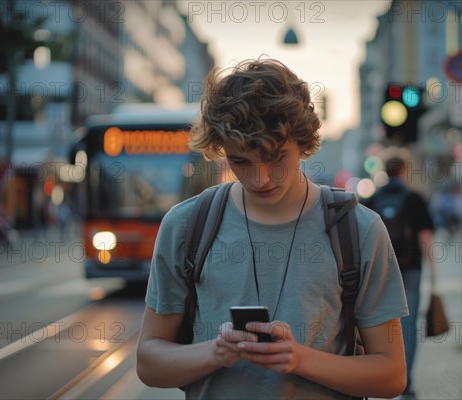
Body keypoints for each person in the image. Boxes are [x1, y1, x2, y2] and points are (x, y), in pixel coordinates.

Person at [136, 58, 408, 399]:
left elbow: (392, 375)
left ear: (304, 141)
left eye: (276, 157)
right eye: (240, 161)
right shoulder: (186, 225)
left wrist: (299, 359)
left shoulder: (358, 229)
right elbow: (148, 362)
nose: (259, 178)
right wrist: (216, 352)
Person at [362, 149, 437, 399]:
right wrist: (434, 272)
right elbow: (425, 237)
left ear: (385, 171)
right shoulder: (414, 198)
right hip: (411, 270)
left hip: (380, 271)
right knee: (408, 325)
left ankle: (383, 376)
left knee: (380, 324)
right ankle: (406, 381)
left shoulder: (372, 199)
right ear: (403, 171)